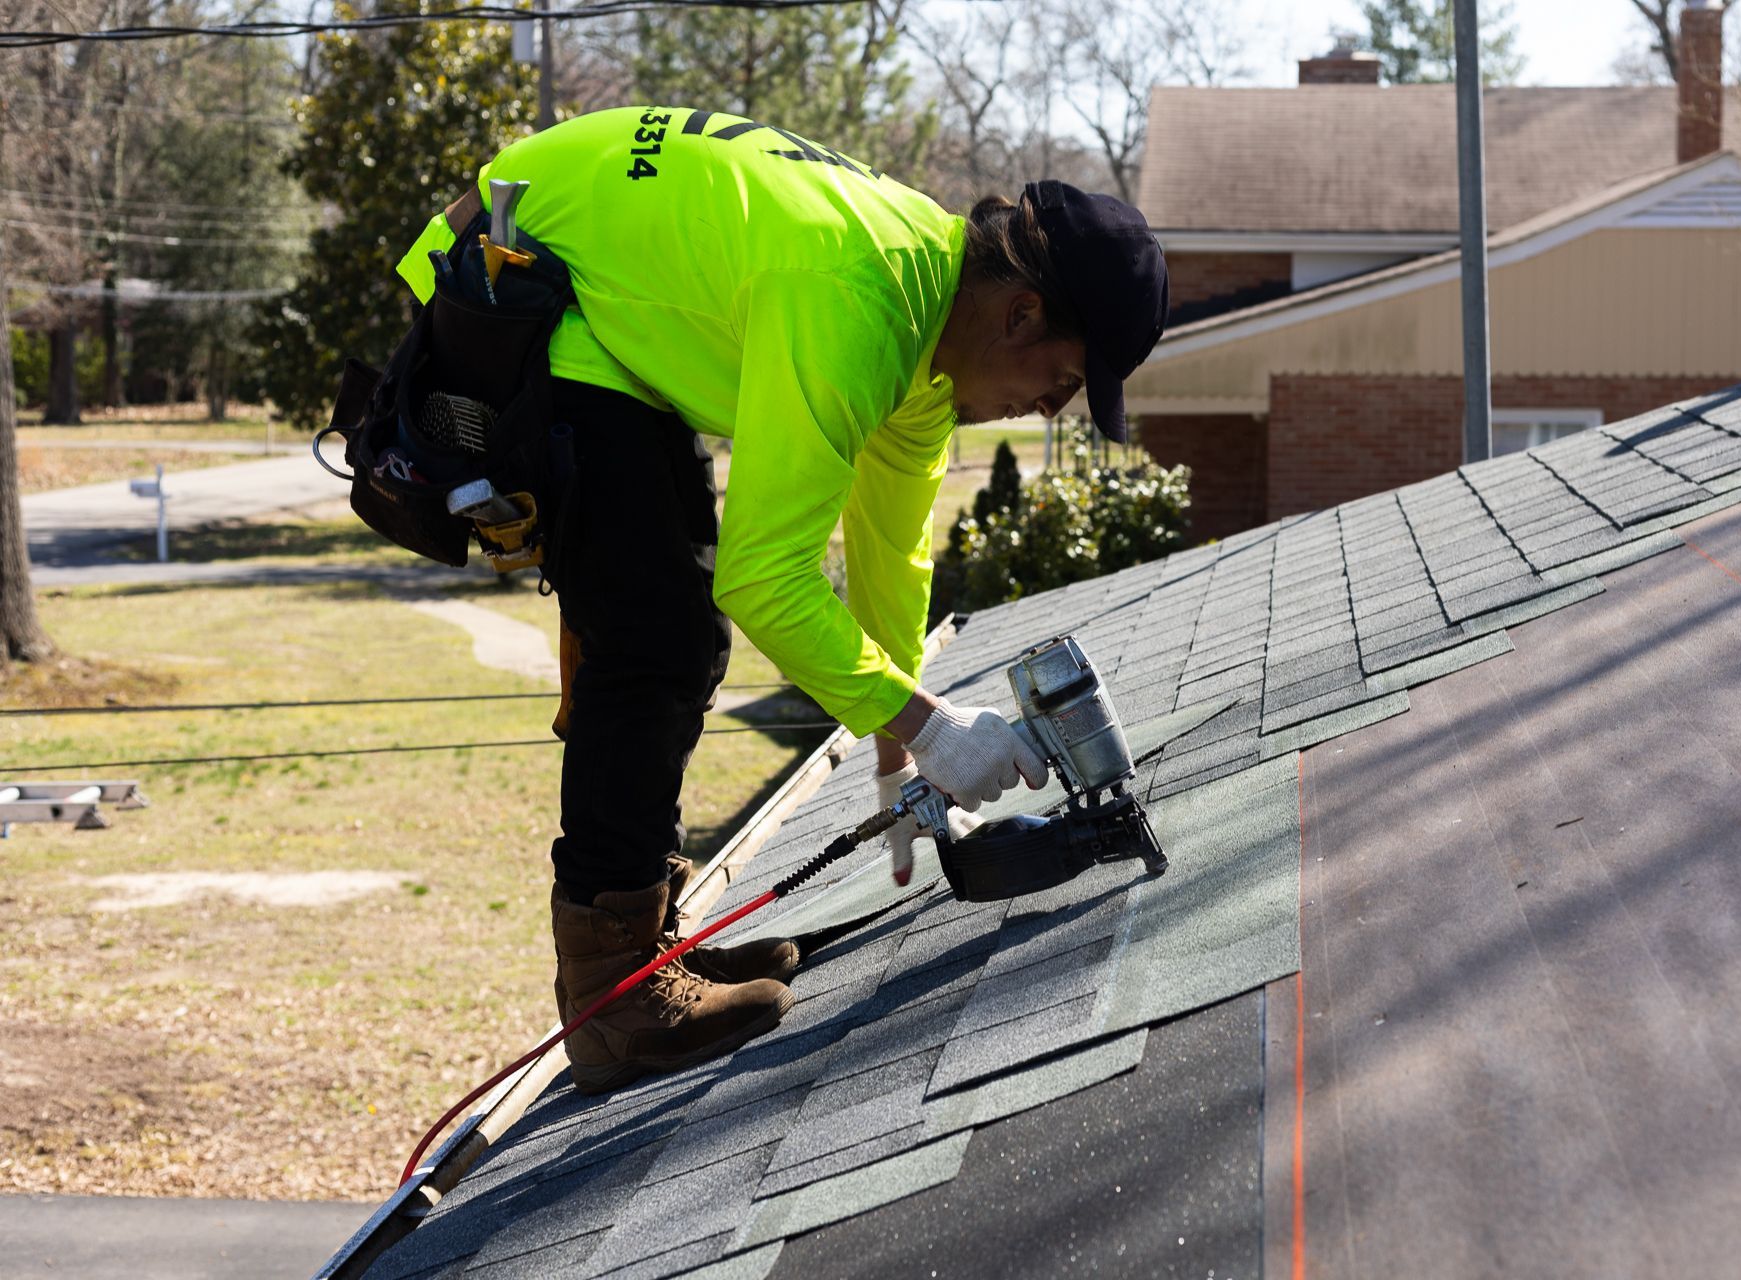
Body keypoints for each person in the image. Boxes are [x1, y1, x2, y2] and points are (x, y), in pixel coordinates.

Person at [396, 105, 1169, 1096]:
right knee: (660, 636)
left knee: (670, 632)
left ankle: (641, 950)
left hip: (597, 301)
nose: (1052, 409)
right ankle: (614, 998)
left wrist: (900, 764)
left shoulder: (928, 329)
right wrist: (932, 729)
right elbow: (766, 576)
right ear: (1020, 313)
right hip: (515, 280)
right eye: (1063, 380)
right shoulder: (858, 297)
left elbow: (890, 551)